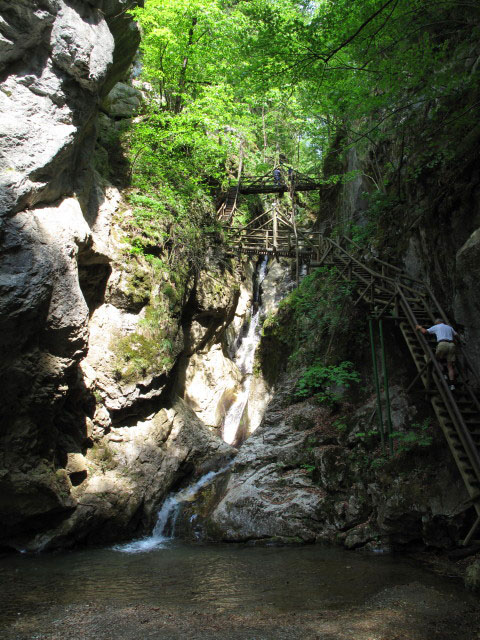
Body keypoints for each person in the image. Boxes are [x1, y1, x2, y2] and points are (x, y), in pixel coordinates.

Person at [416, 318, 458, 390]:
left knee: (436, 360)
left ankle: (444, 375)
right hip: (451, 345)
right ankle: (452, 385)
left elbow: (425, 331)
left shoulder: (437, 326)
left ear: (437, 323)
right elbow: (456, 335)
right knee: (450, 366)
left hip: (442, 344)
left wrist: (420, 327)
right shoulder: (449, 327)